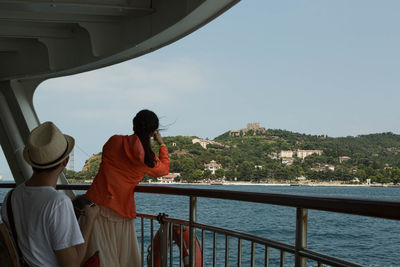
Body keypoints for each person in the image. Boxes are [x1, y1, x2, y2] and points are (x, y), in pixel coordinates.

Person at [1, 121, 99, 267]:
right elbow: (72, 264)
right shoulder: (58, 202)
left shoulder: (11, 196)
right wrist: (90, 220)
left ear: (32, 161)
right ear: (65, 161)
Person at [84, 109, 170, 267]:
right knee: (124, 260)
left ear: (134, 125)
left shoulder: (113, 141)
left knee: (100, 259)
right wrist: (161, 144)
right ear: (152, 132)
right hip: (121, 211)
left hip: (94, 207)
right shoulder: (147, 157)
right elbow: (164, 170)